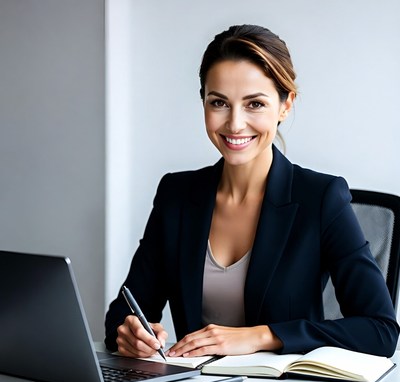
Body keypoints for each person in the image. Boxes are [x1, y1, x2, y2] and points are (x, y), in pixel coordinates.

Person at [104, 24, 399, 359]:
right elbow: (125, 311)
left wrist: (262, 336)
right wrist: (129, 333)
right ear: (203, 102)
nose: (235, 124)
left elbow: (380, 330)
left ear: (286, 105)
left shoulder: (321, 197)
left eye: (255, 104)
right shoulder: (177, 195)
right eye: (219, 103)